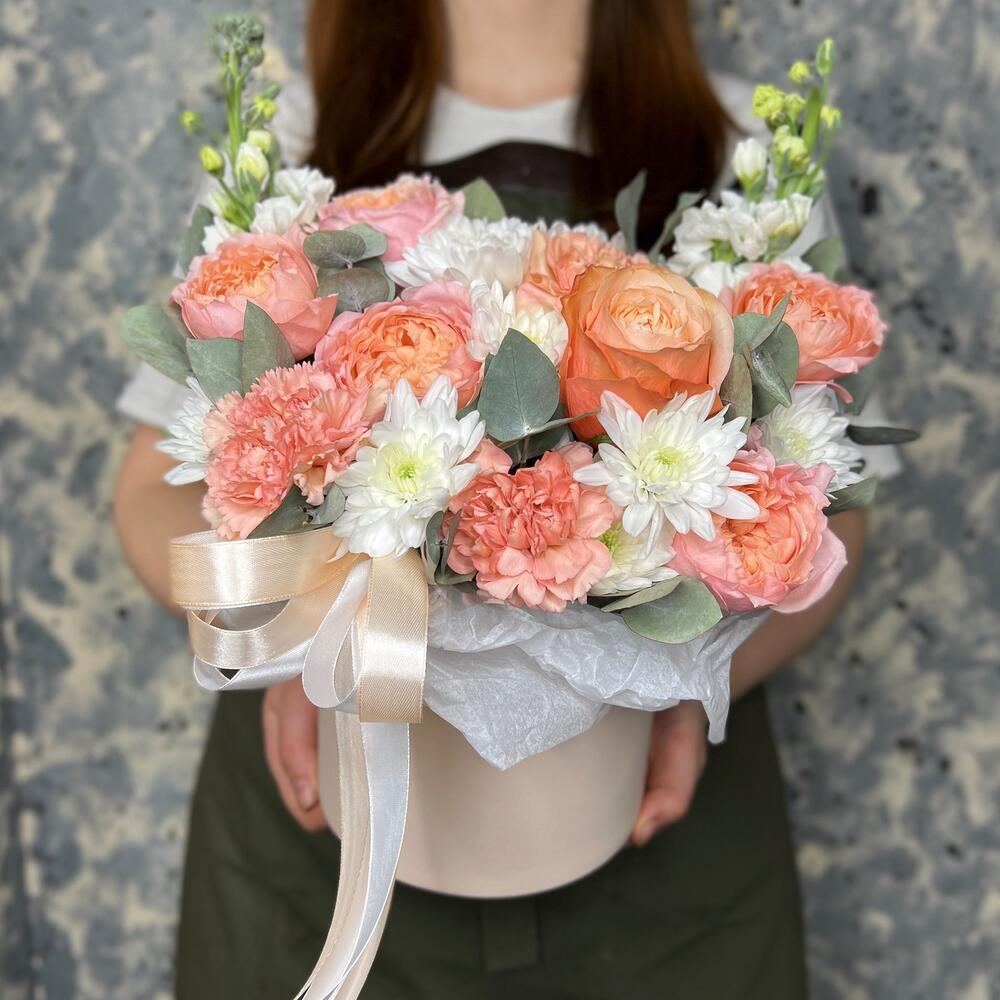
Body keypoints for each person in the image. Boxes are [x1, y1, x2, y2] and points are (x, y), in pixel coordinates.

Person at [114, 1, 899, 996]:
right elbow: (151, 493)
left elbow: (835, 517)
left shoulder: (747, 151)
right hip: (322, 850)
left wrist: (683, 688)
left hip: (659, 861)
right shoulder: (289, 144)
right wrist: (304, 654)